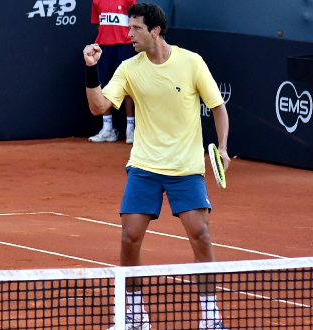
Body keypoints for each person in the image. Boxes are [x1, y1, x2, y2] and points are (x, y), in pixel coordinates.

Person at [83, 3, 230, 330]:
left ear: (155, 31)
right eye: (128, 27)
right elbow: (99, 107)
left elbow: (218, 107)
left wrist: (221, 147)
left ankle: (210, 317)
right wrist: (91, 69)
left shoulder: (191, 63)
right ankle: (134, 317)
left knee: (201, 236)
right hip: (145, 166)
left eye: (135, 28)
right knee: (129, 239)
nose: (128, 34)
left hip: (185, 168)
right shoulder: (128, 68)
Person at [88, 0, 137, 143]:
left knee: (127, 86)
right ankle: (108, 129)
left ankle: (131, 129)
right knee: (103, 86)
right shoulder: (97, 1)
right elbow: (99, 24)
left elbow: (135, 22)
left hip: (125, 47)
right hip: (104, 47)